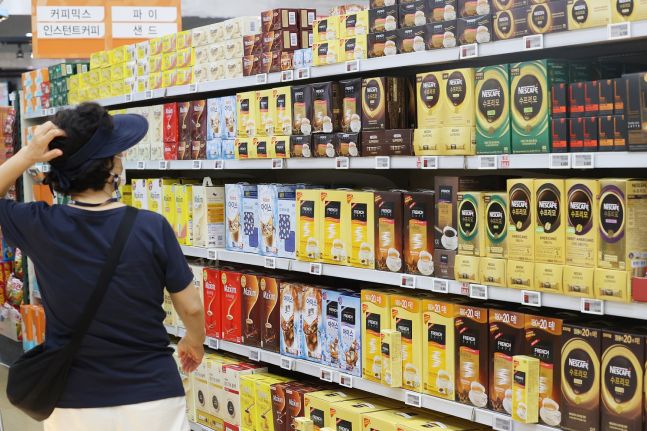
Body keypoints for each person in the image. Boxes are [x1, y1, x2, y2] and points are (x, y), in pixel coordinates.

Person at [0, 103, 205, 431]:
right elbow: (191, 306)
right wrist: (194, 340)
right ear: (110, 168)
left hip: (75, 402)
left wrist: (28, 155)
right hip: (153, 396)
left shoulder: (41, 225)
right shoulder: (151, 227)